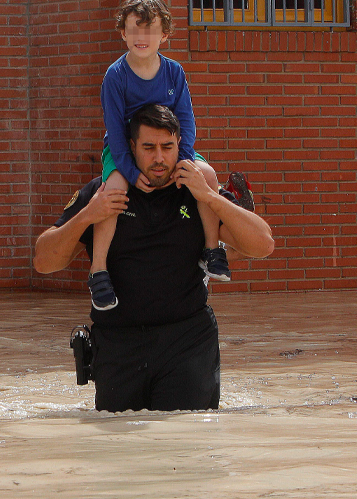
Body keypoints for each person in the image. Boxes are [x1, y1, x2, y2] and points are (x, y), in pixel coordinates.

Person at [32, 104, 273, 412]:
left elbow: (263, 244)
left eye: (167, 147)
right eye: (148, 148)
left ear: (180, 146)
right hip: (119, 346)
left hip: (187, 344)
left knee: (186, 447)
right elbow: (43, 261)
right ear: (131, 147)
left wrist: (210, 196)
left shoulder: (197, 192)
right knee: (121, 449)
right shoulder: (106, 191)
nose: (159, 158)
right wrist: (86, 216)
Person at [89, 0, 235, 312]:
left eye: (150, 30)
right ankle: (99, 269)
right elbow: (115, 131)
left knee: (206, 176)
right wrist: (128, 170)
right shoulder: (115, 76)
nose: (141, 36)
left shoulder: (174, 72)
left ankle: (211, 249)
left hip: (170, 151)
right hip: (125, 152)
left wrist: (181, 161)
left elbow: (187, 121)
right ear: (123, 34)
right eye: (133, 29)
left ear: (164, 35)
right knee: (112, 190)